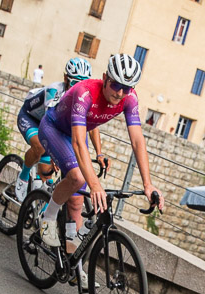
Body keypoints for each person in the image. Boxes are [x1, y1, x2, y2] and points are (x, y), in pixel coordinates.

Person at [36, 53, 165, 246]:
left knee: (78, 202)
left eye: (126, 88)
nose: (120, 93)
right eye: (115, 85)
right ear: (105, 78)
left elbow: (138, 141)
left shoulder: (129, 99)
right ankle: (48, 217)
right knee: (78, 178)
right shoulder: (85, 92)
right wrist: (95, 186)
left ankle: (75, 269)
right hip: (53, 128)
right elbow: (79, 143)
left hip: (76, 133)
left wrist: (148, 184)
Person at [13, 56, 99, 203]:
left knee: (47, 175)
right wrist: (55, 154)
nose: (78, 87)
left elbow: (91, 127)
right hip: (31, 118)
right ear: (66, 78)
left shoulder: (85, 97)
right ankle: (24, 176)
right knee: (40, 146)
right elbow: (48, 125)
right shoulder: (55, 91)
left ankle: (36, 210)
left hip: (51, 125)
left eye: (82, 83)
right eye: (74, 83)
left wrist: (99, 153)